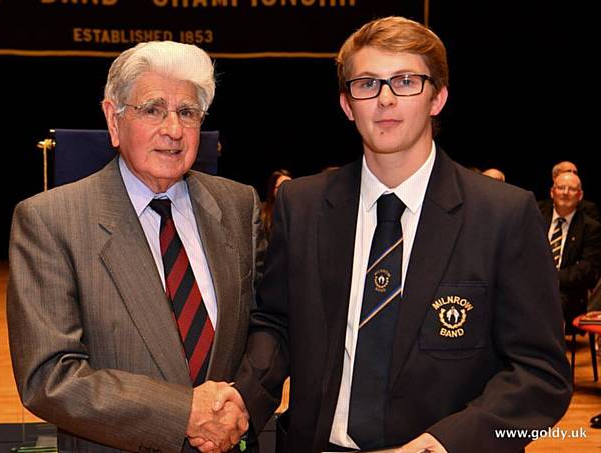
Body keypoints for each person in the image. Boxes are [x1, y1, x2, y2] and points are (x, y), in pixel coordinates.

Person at [229, 16, 572, 453]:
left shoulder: (504, 213)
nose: (385, 99)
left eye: (406, 81)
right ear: (347, 104)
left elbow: (542, 374)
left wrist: (445, 443)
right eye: (367, 83)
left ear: (437, 98)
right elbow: (276, 325)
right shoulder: (304, 205)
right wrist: (243, 399)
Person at [7, 41, 265, 453]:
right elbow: (49, 377)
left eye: (187, 112)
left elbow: (265, 326)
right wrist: (184, 412)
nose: (173, 130)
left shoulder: (238, 205)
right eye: (153, 109)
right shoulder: (50, 220)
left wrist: (241, 405)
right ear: (113, 119)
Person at [538, 171, 601, 329]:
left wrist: (551, 279)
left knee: (549, 302)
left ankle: (545, 350)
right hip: (531, 283)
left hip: (566, 291)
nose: (565, 193)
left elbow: (587, 268)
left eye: (571, 189)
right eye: (561, 188)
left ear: (580, 195)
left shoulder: (590, 227)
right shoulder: (535, 217)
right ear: (552, 192)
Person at [260, 169, 292, 240]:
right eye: (282, 186)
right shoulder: (262, 210)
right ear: (273, 189)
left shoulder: (295, 211)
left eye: (290, 187)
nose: (286, 191)